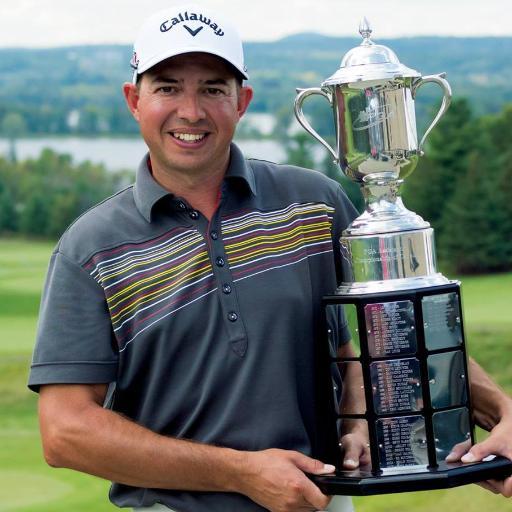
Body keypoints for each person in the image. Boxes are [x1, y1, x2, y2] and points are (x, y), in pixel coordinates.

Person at [28, 3, 512, 512]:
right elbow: (66, 432)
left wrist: (501, 411)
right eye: (167, 87)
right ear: (134, 99)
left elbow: (401, 329)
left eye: (214, 88)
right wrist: (241, 473)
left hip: (321, 504)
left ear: (243, 101)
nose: (191, 111)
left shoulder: (312, 204)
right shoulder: (90, 247)